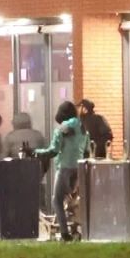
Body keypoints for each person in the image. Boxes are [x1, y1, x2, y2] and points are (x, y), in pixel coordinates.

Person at [36, 101, 88, 242]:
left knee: (57, 200)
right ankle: (78, 228)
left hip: (64, 168)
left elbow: (53, 151)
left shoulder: (62, 128)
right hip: (78, 168)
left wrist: (35, 152)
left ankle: (65, 233)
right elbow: (87, 150)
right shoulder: (83, 128)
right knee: (73, 201)